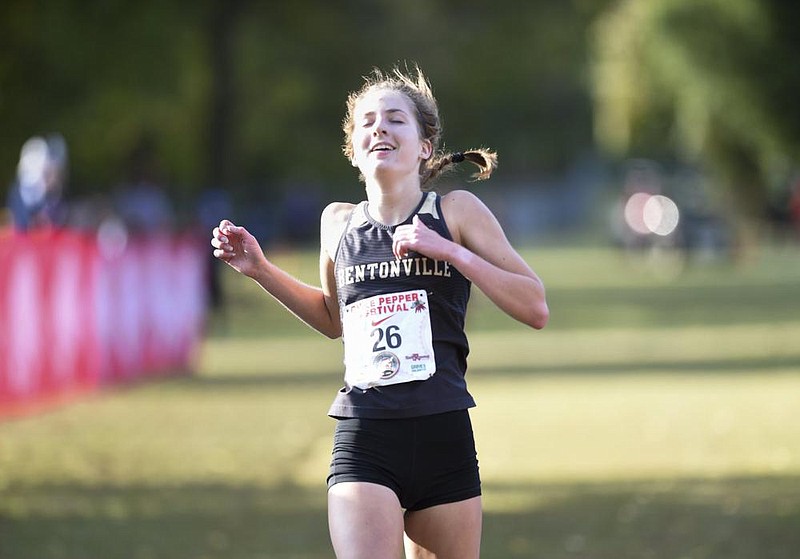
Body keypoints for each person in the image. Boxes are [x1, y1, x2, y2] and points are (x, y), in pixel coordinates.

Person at [211, 64, 549, 559]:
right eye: (367, 121)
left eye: (395, 119)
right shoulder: (338, 223)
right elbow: (333, 319)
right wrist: (261, 269)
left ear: (424, 146)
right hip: (365, 434)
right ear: (353, 149)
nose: (380, 128)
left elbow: (535, 306)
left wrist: (453, 253)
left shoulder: (455, 213)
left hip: (443, 433)